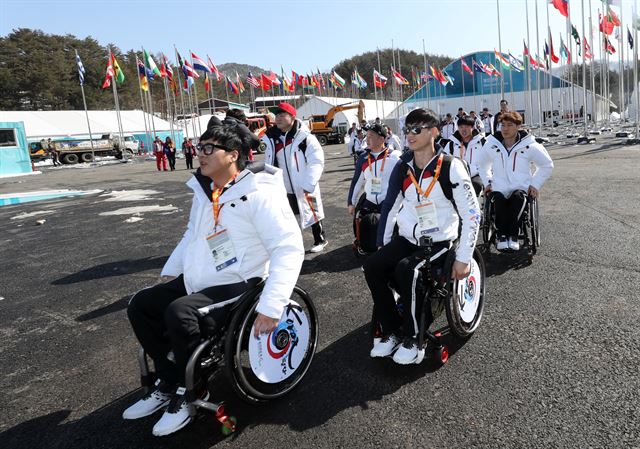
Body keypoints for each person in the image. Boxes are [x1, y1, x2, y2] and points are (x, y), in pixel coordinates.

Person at [123, 122, 304, 436]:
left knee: (180, 312)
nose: (199, 154)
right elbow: (192, 234)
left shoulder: (259, 194)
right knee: (141, 303)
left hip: (239, 281)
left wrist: (272, 306)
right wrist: (172, 268)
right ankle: (168, 380)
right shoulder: (206, 191)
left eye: (208, 148)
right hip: (201, 277)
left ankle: (192, 389)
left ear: (233, 155)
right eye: (198, 147)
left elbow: (288, 247)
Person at [363, 108, 480, 365]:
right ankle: (392, 330)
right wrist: (383, 245)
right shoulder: (403, 167)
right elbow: (391, 207)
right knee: (373, 266)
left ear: (434, 131)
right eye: (407, 129)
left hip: (439, 241)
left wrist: (464, 257)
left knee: (409, 269)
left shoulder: (451, 167)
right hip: (408, 238)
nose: (410, 135)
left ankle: (414, 339)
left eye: (417, 129)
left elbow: (472, 214)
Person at [478, 111, 553, 251]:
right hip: (498, 187)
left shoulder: (529, 145)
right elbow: (482, 164)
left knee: (518, 198)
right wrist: (488, 182)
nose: (505, 129)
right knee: (497, 199)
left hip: (520, 187)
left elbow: (546, 165)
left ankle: (512, 236)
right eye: (502, 125)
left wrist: (535, 185)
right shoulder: (491, 144)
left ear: (519, 126)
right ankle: (501, 236)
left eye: (510, 125)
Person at [263, 102, 328, 253]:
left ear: (292, 117)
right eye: (276, 115)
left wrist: (309, 183)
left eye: (282, 115)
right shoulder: (272, 138)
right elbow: (269, 162)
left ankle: (320, 239)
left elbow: (316, 161)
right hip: (283, 186)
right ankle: (292, 244)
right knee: (287, 218)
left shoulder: (305, 138)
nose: (277, 118)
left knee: (312, 213)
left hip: (303, 184)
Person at [347, 124, 402, 253]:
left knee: (394, 222)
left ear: (382, 139)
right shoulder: (363, 158)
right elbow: (356, 181)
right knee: (360, 218)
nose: (367, 139)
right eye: (367, 136)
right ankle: (363, 244)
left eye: (371, 136)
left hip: (388, 200)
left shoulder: (395, 156)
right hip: (370, 199)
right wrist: (351, 202)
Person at [444, 114, 485, 195]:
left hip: (476, 175)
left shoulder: (482, 142)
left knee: (476, 186)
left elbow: (489, 162)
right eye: (461, 127)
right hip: (456, 176)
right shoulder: (451, 144)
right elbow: (444, 161)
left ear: (472, 127)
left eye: (467, 126)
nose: (463, 130)